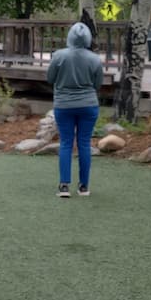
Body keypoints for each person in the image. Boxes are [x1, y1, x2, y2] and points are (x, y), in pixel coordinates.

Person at [46, 21, 103, 198]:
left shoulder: (58, 56)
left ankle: (64, 186)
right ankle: (84, 187)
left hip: (64, 105)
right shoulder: (94, 59)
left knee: (66, 143)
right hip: (88, 104)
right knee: (84, 144)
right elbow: (97, 84)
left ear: (69, 37)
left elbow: (50, 78)